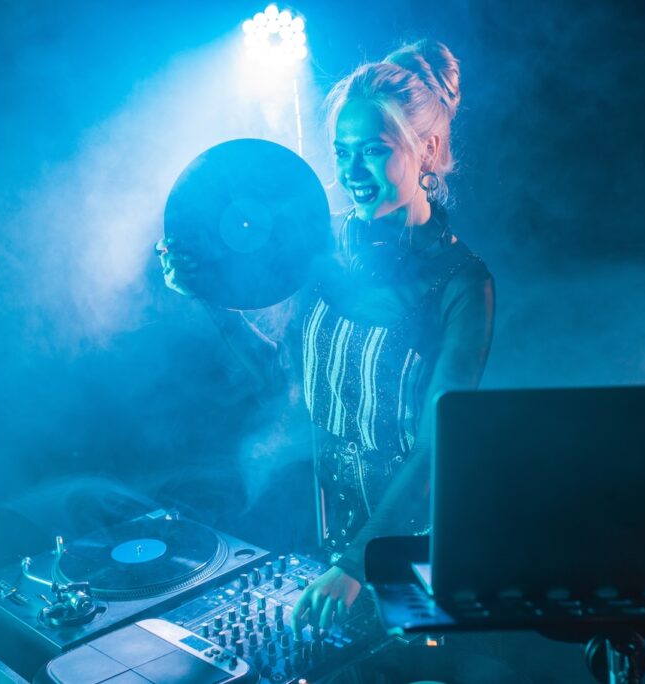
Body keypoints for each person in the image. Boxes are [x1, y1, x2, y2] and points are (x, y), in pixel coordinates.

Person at [157, 39, 495, 633]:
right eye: (342, 153)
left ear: (428, 151)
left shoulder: (462, 284)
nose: (351, 173)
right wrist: (211, 297)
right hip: (321, 549)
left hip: (415, 555)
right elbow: (285, 383)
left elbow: (434, 450)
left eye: (373, 151)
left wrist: (358, 562)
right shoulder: (324, 245)